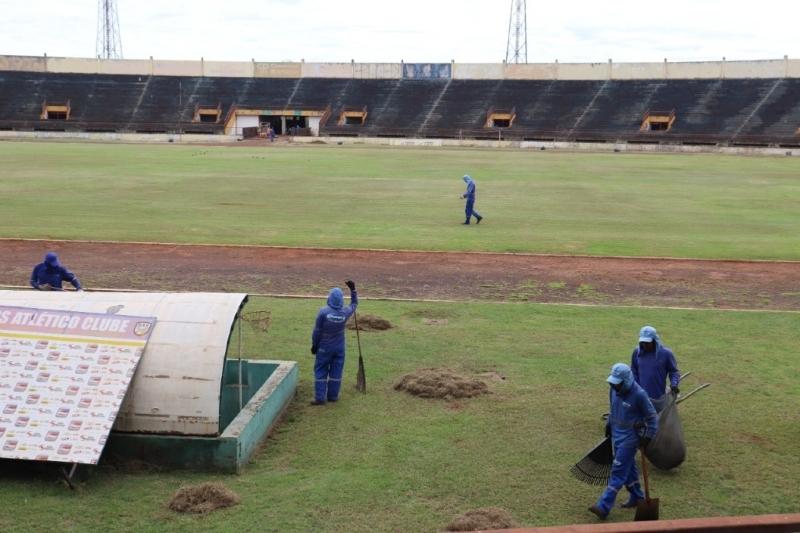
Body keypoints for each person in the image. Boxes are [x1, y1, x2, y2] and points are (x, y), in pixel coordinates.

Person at [589, 363, 658, 520]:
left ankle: (604, 506)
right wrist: (609, 425)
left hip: (630, 438)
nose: (614, 386)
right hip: (617, 435)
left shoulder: (639, 394)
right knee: (629, 468)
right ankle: (637, 497)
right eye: (612, 382)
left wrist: (648, 436)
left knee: (618, 471)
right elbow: (612, 408)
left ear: (626, 381)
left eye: (617, 383)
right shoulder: (613, 390)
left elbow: (652, 417)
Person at [310, 280, 358, 405]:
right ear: (341, 300)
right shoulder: (345, 312)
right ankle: (333, 396)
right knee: (336, 372)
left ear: (330, 298)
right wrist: (353, 290)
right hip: (339, 348)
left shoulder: (323, 312)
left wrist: (315, 345)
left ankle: (320, 398)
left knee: (321, 370)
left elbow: (317, 331)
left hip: (324, 348)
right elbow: (354, 304)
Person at [631, 326, 680, 412]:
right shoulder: (637, 353)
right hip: (640, 393)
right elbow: (634, 370)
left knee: (657, 416)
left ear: (654, 340)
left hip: (658, 395)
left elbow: (674, 371)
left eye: (647, 342)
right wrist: (636, 388)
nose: (644, 345)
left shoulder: (666, 354)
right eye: (642, 342)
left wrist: (674, 384)